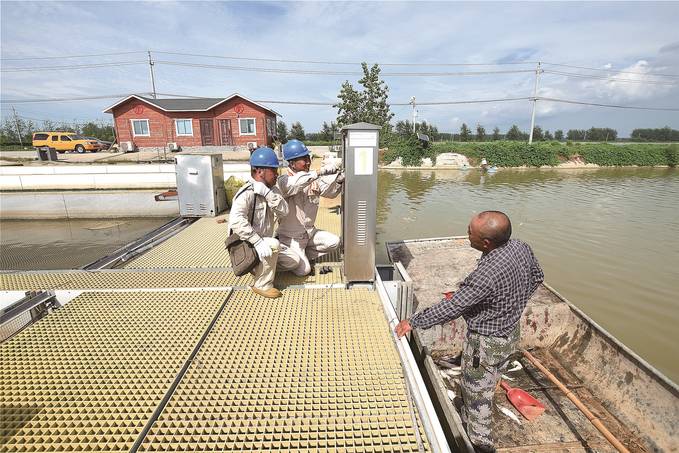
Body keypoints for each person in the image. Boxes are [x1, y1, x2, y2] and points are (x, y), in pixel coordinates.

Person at [395, 211, 544, 453]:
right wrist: (510, 304)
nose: (467, 235)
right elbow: (538, 275)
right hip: (510, 333)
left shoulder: (487, 274)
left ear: (486, 242)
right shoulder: (519, 247)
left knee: (477, 398)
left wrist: (414, 321)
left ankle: (480, 444)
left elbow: (453, 307)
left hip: (485, 344)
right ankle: (476, 398)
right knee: (493, 375)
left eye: (470, 233)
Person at [276, 139, 344, 276]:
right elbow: (297, 183)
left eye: (308, 158)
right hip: (291, 237)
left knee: (334, 242)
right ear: (292, 163)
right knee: (304, 271)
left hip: (309, 233)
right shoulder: (284, 181)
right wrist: (322, 171)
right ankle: (276, 257)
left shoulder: (311, 179)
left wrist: (339, 180)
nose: (308, 162)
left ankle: (301, 255)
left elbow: (329, 193)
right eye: (304, 159)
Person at [228, 147, 289, 298]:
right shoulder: (247, 193)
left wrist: (267, 194)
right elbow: (236, 222)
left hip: (262, 244)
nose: (276, 174)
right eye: (273, 170)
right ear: (260, 171)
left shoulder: (270, 190)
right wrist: (257, 242)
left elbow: (284, 211)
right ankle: (262, 285)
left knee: (294, 262)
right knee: (274, 245)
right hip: (246, 246)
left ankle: (261, 267)